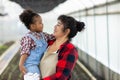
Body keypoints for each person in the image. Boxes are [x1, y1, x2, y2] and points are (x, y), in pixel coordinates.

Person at [40, 15, 85, 80]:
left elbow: (61, 76)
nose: (55, 26)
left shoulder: (69, 50)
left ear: (66, 31)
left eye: (58, 24)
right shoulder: (49, 42)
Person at [19, 9, 54, 80]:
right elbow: (25, 52)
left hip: (39, 64)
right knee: (34, 77)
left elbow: (52, 37)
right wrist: (21, 64)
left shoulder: (43, 35)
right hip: (30, 66)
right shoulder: (28, 37)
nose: (42, 24)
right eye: (40, 23)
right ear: (33, 26)